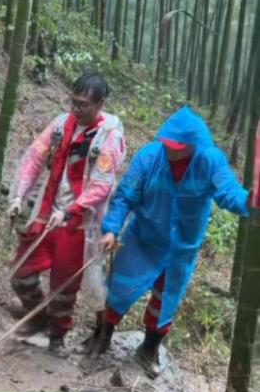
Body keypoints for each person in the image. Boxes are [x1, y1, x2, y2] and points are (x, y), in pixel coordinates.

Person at [90, 106, 252, 377]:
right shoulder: (149, 156)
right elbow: (125, 195)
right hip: (142, 238)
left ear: (193, 145)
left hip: (180, 248)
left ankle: (149, 350)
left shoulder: (210, 161)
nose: (171, 150)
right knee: (117, 287)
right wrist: (111, 229)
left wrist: (249, 200)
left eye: (178, 147)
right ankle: (101, 336)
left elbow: (229, 193)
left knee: (165, 300)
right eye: (168, 144)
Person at [8, 72, 126, 355]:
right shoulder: (61, 124)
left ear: (100, 103)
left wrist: (70, 210)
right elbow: (34, 158)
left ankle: (57, 336)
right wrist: (19, 196)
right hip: (46, 211)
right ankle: (38, 318)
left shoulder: (108, 137)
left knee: (64, 285)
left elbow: (101, 185)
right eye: (74, 102)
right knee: (21, 274)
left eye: (84, 104)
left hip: (78, 223)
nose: (77, 108)